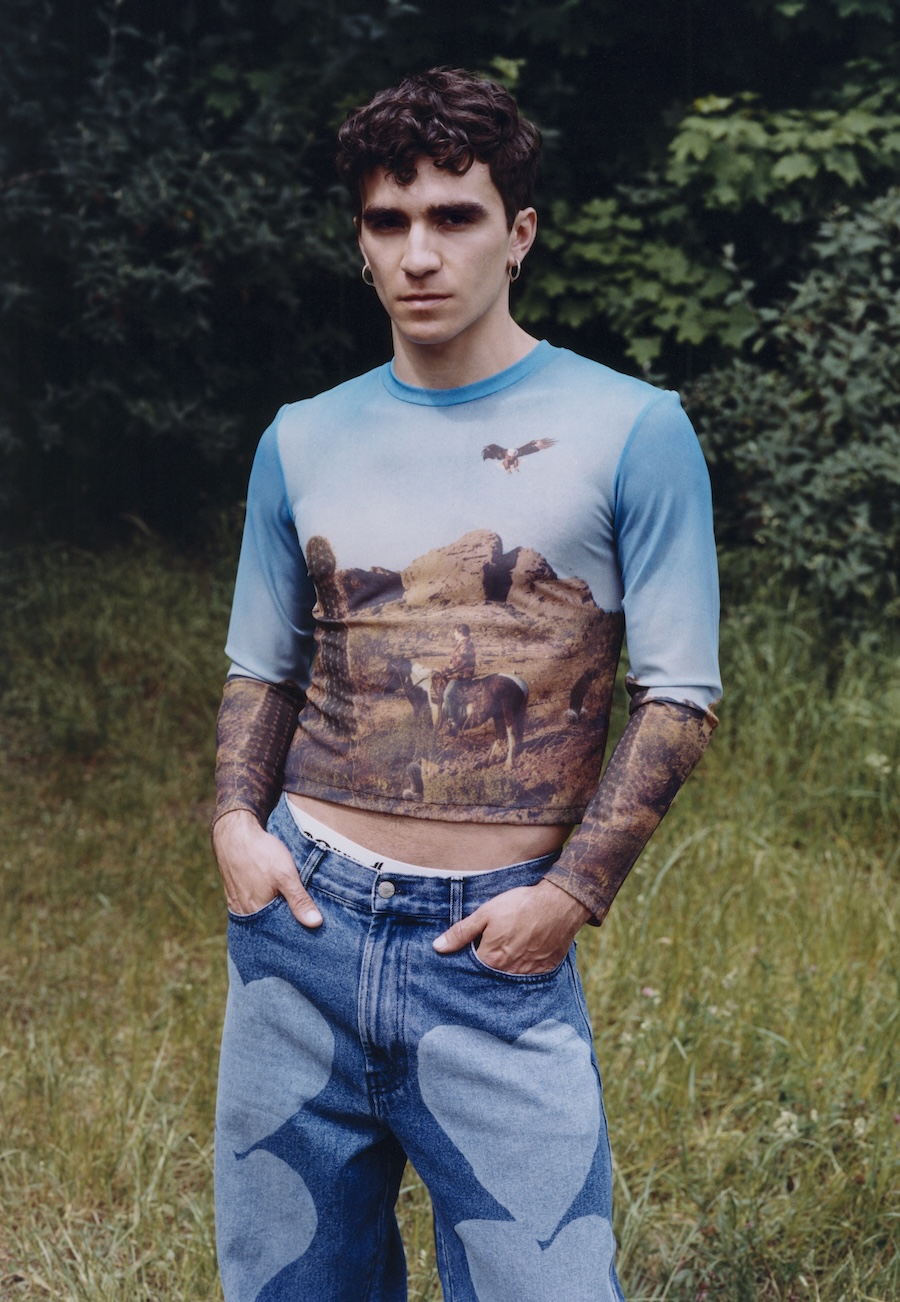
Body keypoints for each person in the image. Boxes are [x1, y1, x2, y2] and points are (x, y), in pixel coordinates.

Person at [211, 67, 721, 1302]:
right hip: (300, 928)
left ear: (520, 232)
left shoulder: (633, 429)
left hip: (495, 951)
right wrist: (233, 824)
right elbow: (263, 664)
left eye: (455, 216)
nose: (420, 253)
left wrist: (570, 897)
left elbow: (679, 699)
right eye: (389, 222)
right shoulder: (301, 435)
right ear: (362, 243)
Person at [439, 622, 477, 731]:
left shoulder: (465, 645)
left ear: (460, 633)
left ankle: (453, 722)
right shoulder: (464, 644)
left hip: (461, 676)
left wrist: (443, 670)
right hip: (458, 674)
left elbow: (458, 663)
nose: (454, 634)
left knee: (448, 694)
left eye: (455, 632)